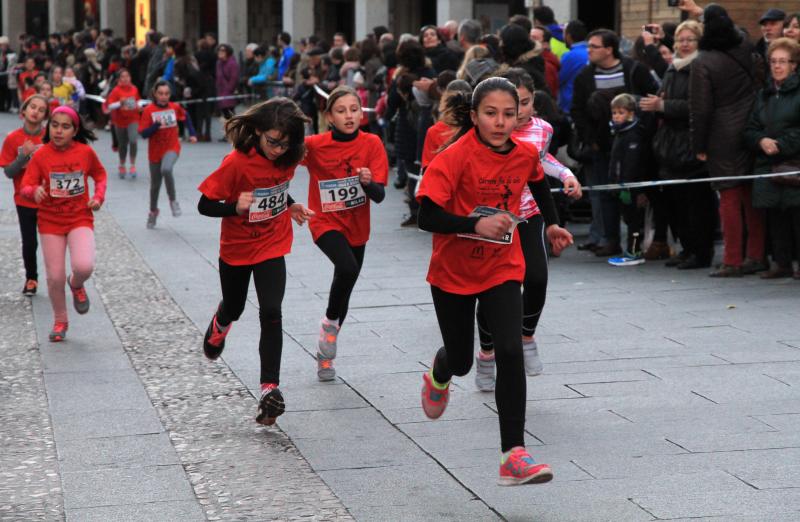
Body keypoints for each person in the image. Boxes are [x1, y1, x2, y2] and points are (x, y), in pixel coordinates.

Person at [416, 77, 571, 485]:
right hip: (453, 272)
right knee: (463, 360)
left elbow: (538, 182)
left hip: (503, 264)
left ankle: (513, 455)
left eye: (508, 113)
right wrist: (475, 223)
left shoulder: (523, 153)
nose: (501, 121)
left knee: (509, 349)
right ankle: (441, 370)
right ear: (474, 116)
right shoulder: (452, 158)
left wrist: (553, 224)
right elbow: (426, 217)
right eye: (491, 113)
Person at [198, 98, 314, 426]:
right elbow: (204, 205)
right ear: (258, 132)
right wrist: (234, 207)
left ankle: (269, 390)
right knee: (234, 307)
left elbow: (275, 189)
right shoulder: (236, 163)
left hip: (272, 243)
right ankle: (220, 324)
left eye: (285, 144)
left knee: (272, 311)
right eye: (272, 141)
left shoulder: (289, 158)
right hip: (236, 248)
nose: (277, 149)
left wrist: (290, 205)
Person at [474, 69, 578, 391]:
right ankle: (487, 353)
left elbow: (541, 161)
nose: (516, 114)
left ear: (534, 102)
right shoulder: (489, 131)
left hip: (529, 214)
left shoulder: (542, 130)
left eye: (524, 104)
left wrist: (566, 175)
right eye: (508, 106)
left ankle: (527, 335)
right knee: (492, 289)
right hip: (494, 217)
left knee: (537, 277)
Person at [302, 86, 388, 381]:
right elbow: (281, 156)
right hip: (323, 221)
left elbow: (380, 196)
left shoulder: (372, 143)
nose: (349, 115)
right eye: (341, 110)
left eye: (354, 109)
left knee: (346, 285)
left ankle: (325, 356)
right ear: (329, 117)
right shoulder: (314, 145)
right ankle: (328, 326)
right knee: (347, 267)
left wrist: (367, 182)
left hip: (357, 226)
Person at [19, 106, 107, 342]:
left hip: (80, 217)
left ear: (75, 130)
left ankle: (76, 284)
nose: (58, 131)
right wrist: (34, 190)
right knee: (55, 276)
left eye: (65, 127)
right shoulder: (41, 155)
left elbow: (100, 175)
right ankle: (60, 320)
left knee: (84, 266)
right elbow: (25, 185)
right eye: (55, 125)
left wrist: (98, 197)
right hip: (50, 222)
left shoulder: (85, 153)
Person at [689, 5, 764, 277]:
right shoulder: (745, 46)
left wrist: (698, 145)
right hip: (752, 127)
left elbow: (700, 109)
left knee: (729, 198)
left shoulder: (703, 62)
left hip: (722, 136)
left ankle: (732, 259)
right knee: (750, 196)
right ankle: (755, 255)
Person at [571, 28, 658, 257]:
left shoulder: (633, 70)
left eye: (594, 46)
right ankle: (610, 239)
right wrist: (590, 140)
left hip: (633, 145)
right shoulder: (585, 76)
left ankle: (637, 241)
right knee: (606, 192)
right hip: (602, 146)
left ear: (609, 49)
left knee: (635, 196)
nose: (588, 50)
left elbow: (653, 96)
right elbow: (577, 111)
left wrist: (641, 127)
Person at [641, 20, 715, 270]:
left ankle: (700, 252)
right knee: (676, 203)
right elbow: (665, 97)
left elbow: (698, 106)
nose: (684, 44)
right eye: (681, 40)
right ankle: (687, 247)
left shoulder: (701, 66)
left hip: (691, 142)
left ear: (699, 42)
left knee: (696, 203)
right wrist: (658, 103)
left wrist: (662, 106)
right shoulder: (673, 67)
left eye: (690, 39)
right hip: (671, 143)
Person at [745, 37, 800, 279]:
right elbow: (750, 128)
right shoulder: (763, 94)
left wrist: (782, 145)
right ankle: (782, 262)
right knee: (775, 216)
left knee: (797, 215)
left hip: (793, 162)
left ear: (794, 65)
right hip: (768, 164)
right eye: (774, 61)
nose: (777, 66)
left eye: (783, 62)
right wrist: (760, 141)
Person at [1, 94, 49, 295]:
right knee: (30, 242)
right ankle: (31, 278)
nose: (36, 111)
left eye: (41, 109)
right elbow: (9, 172)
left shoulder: (49, 137)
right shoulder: (13, 138)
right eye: (32, 107)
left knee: (52, 242)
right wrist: (23, 156)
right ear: (24, 110)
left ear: (45, 116)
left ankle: (58, 277)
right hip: (25, 200)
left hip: (49, 199)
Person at [139, 80, 197, 229]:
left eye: (166, 94)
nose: (164, 97)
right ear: (155, 94)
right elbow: (144, 134)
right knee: (155, 185)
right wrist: (156, 125)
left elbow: (186, 116)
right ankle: (153, 211)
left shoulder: (174, 107)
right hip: (155, 152)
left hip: (172, 147)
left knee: (166, 169)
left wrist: (192, 133)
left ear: (170, 94)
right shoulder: (148, 110)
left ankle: (173, 200)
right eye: (160, 93)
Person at [607, 94, 649, 260]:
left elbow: (633, 164)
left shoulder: (634, 135)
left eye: (621, 112)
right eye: (614, 112)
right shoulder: (620, 133)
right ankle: (632, 248)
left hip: (631, 187)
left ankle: (634, 250)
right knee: (628, 219)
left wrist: (630, 186)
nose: (617, 116)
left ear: (630, 113)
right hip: (621, 185)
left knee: (634, 221)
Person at [102, 68, 141, 179]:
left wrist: (138, 106)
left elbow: (137, 101)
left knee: (133, 140)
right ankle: (122, 164)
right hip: (119, 121)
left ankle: (133, 165)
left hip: (133, 119)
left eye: (127, 76)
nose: (125, 79)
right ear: (119, 79)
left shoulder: (134, 89)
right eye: (123, 77)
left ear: (130, 78)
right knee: (122, 145)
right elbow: (109, 106)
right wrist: (120, 103)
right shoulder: (116, 91)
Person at [216, 44, 239, 122]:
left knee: (230, 115)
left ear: (228, 52)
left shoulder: (232, 63)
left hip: (229, 93)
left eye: (222, 50)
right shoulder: (219, 63)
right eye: (219, 50)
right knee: (226, 115)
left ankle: (233, 132)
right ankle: (228, 132)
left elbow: (234, 78)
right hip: (221, 92)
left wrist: (229, 90)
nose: (220, 52)